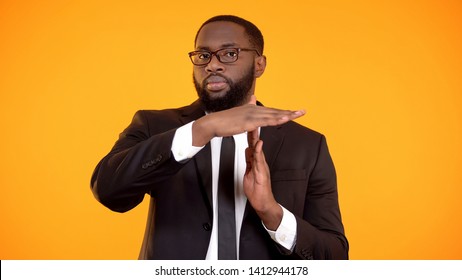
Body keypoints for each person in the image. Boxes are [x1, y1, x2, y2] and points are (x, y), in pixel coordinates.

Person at [91, 15, 348, 260]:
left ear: (259, 64)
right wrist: (203, 129)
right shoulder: (155, 125)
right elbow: (108, 191)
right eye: (203, 55)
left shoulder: (307, 145)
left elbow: (334, 254)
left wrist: (273, 213)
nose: (212, 64)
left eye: (229, 53)